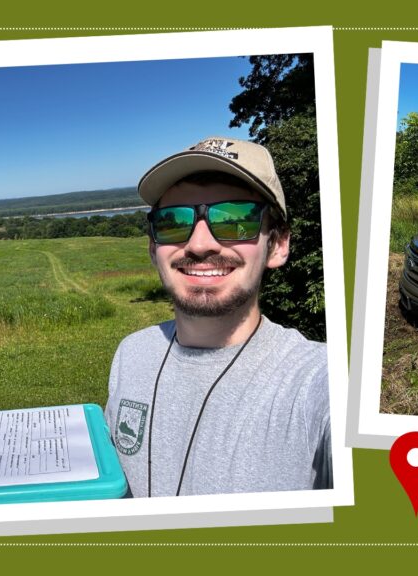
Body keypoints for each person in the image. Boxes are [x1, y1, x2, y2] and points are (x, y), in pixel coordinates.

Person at [104, 136, 331, 497]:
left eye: (234, 220)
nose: (199, 243)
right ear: (153, 247)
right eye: (174, 221)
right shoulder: (132, 355)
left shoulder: (319, 382)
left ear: (278, 244)